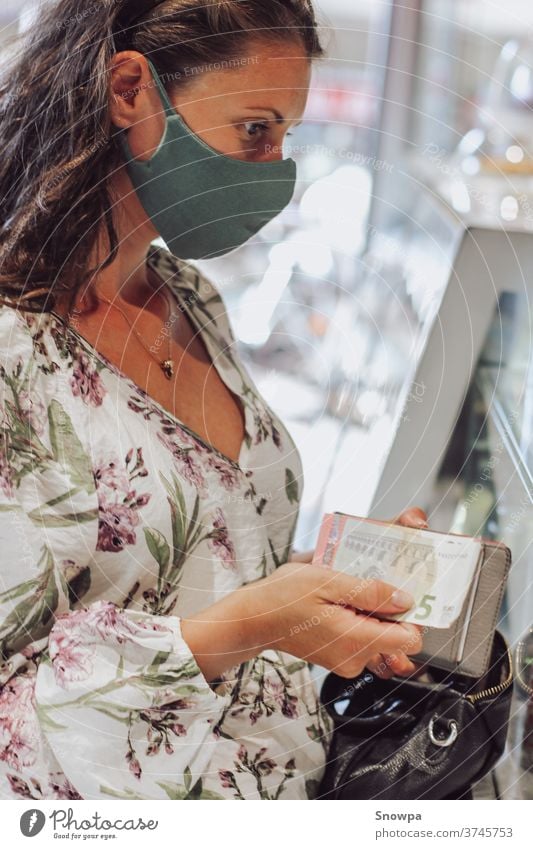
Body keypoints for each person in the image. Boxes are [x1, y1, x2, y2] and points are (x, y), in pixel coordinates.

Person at [0, 0, 427, 801]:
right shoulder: (16, 360)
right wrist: (258, 622)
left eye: (287, 138)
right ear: (130, 90)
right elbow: (14, 726)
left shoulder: (188, 299)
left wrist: (331, 585)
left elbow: (194, 570)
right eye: (254, 130)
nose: (273, 172)